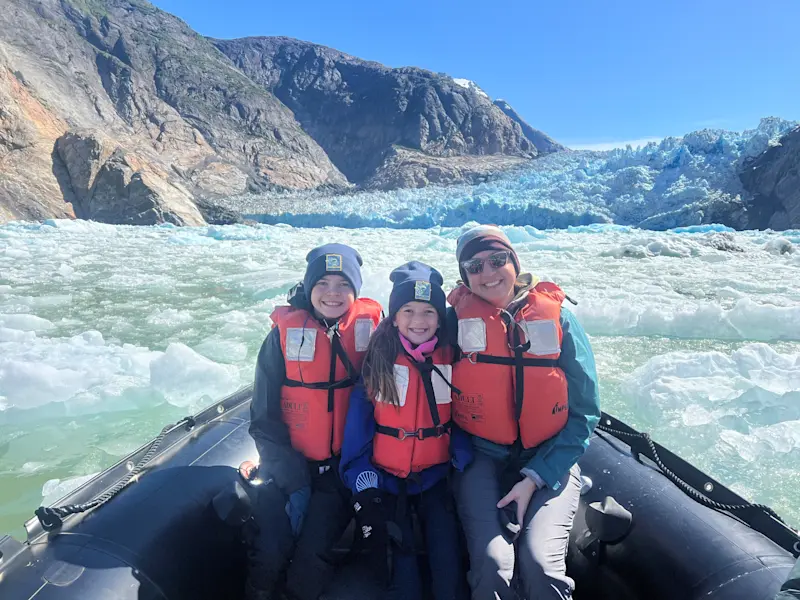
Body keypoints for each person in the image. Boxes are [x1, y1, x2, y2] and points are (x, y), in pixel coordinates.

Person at [446, 225, 601, 600]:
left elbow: (585, 413)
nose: (487, 272)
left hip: (550, 457)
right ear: (464, 276)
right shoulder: (453, 323)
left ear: (514, 262)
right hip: (481, 456)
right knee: (493, 563)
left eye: (497, 260)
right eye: (474, 266)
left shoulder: (560, 320)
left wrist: (534, 478)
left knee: (540, 565)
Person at [245, 243, 382, 600]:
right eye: (323, 283)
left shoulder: (373, 331)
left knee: (310, 559)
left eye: (343, 284)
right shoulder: (281, 336)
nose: (332, 293)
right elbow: (262, 416)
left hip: (339, 470)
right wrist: (289, 474)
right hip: (288, 465)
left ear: (356, 289)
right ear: (309, 287)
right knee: (270, 549)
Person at [340, 261, 472, 600]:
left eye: (429, 312)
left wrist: (461, 458)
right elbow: (358, 429)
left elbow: (465, 417)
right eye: (408, 311)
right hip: (387, 482)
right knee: (402, 577)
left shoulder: (452, 356)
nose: (418, 320)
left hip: (435, 480)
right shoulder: (379, 359)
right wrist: (363, 482)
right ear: (395, 317)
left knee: (448, 568)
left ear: (440, 318)